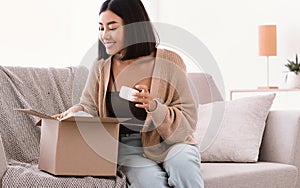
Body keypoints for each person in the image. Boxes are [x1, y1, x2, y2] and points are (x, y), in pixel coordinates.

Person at [53, 0, 204, 187]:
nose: (104, 35)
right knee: (149, 181)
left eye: (112, 27)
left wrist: (154, 106)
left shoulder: (169, 62)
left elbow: (188, 120)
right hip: (127, 148)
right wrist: (74, 111)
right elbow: (89, 107)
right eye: (101, 28)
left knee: (184, 166)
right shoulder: (101, 66)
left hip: (172, 143)